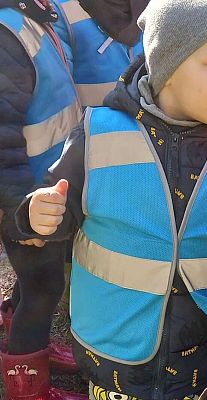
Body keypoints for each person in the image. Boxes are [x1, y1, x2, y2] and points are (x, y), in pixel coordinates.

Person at [16, 0, 207, 398]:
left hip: (203, 356)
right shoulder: (98, 132)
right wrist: (38, 214)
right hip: (112, 354)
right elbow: (58, 207)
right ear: (166, 66)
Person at [0, 0, 85, 397]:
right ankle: (26, 387)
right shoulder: (7, 31)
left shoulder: (36, 15)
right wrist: (21, 216)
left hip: (45, 189)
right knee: (43, 285)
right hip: (27, 197)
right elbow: (2, 139)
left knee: (34, 280)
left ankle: (26, 342)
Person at [52, 0, 146, 108]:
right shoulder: (58, 9)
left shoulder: (158, 7)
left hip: (148, 122)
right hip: (91, 123)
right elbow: (58, 101)